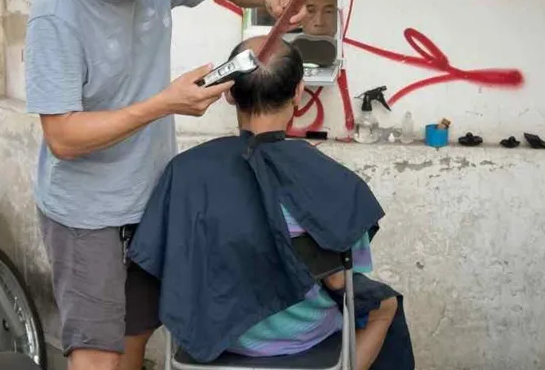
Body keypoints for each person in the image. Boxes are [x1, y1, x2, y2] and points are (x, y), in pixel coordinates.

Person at [24, 0, 306, 370]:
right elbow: (63, 137)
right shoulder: (57, 14)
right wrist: (163, 104)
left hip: (151, 199)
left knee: (135, 336)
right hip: (87, 214)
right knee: (98, 356)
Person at [129, 38, 414, 370]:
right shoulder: (331, 181)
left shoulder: (185, 173)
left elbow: (158, 265)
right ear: (298, 92)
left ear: (229, 92)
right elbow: (341, 282)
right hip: (306, 337)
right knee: (385, 307)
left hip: (213, 334)